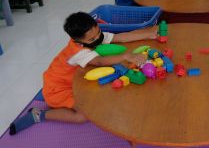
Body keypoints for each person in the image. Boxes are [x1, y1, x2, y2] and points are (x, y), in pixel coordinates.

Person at [9, 12, 157, 135]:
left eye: (98, 32)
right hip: (57, 88)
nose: (98, 38)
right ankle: (39, 115)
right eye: (92, 39)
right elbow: (98, 61)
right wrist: (126, 56)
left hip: (73, 80)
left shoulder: (93, 36)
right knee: (83, 116)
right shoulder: (77, 51)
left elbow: (121, 37)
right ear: (77, 40)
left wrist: (149, 34)